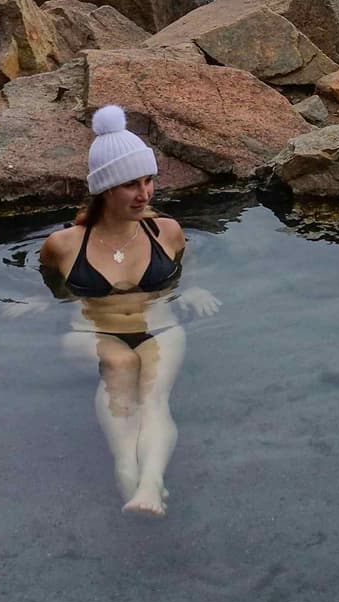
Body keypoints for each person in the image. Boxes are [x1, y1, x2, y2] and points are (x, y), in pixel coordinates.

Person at [40, 105, 218, 516]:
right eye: (130, 185)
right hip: (91, 332)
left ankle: (150, 484)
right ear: (104, 189)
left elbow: (187, 267)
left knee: (154, 398)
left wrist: (191, 289)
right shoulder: (64, 244)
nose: (145, 193)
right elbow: (48, 280)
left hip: (160, 326)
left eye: (148, 180)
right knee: (120, 365)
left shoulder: (167, 232)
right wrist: (31, 303)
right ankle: (126, 471)